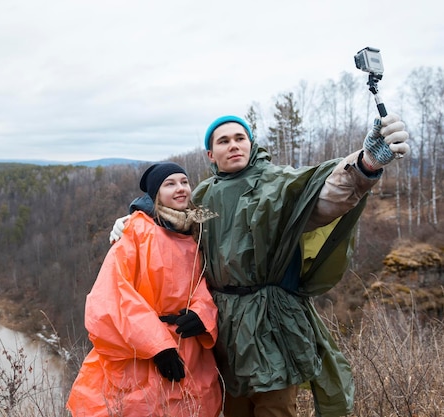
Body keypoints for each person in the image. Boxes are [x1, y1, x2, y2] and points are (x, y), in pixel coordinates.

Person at [109, 113, 410, 417]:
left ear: (251, 144)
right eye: (223, 141)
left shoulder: (277, 185)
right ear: (211, 155)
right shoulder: (207, 196)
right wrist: (134, 220)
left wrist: (366, 164)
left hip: (273, 322)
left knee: (275, 407)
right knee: (233, 408)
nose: (234, 146)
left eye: (240, 138)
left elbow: (324, 196)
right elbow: (176, 221)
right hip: (224, 327)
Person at [66, 162, 223, 417]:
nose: (180, 189)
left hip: (190, 348)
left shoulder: (198, 229)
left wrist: (202, 314)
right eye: (169, 184)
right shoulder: (137, 231)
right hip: (140, 354)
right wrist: (158, 346)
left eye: (184, 182)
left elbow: (207, 280)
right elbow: (113, 295)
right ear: (155, 194)